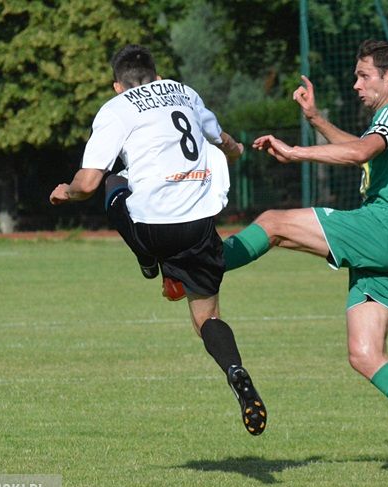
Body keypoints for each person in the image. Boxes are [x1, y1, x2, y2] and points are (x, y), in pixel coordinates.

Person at [223, 40, 388, 473]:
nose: (356, 84)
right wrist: (315, 118)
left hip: (383, 228)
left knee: (275, 223)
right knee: (364, 353)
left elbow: (359, 152)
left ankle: (202, 264)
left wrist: (295, 152)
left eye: (363, 75)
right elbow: (361, 151)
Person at [49, 44, 267, 436]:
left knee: (116, 181)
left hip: (152, 227)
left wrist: (64, 191)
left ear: (119, 85)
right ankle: (236, 371)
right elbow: (224, 141)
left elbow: (88, 183)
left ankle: (149, 260)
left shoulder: (117, 109)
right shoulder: (184, 92)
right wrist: (235, 151)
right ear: (156, 74)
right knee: (208, 320)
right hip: (200, 222)